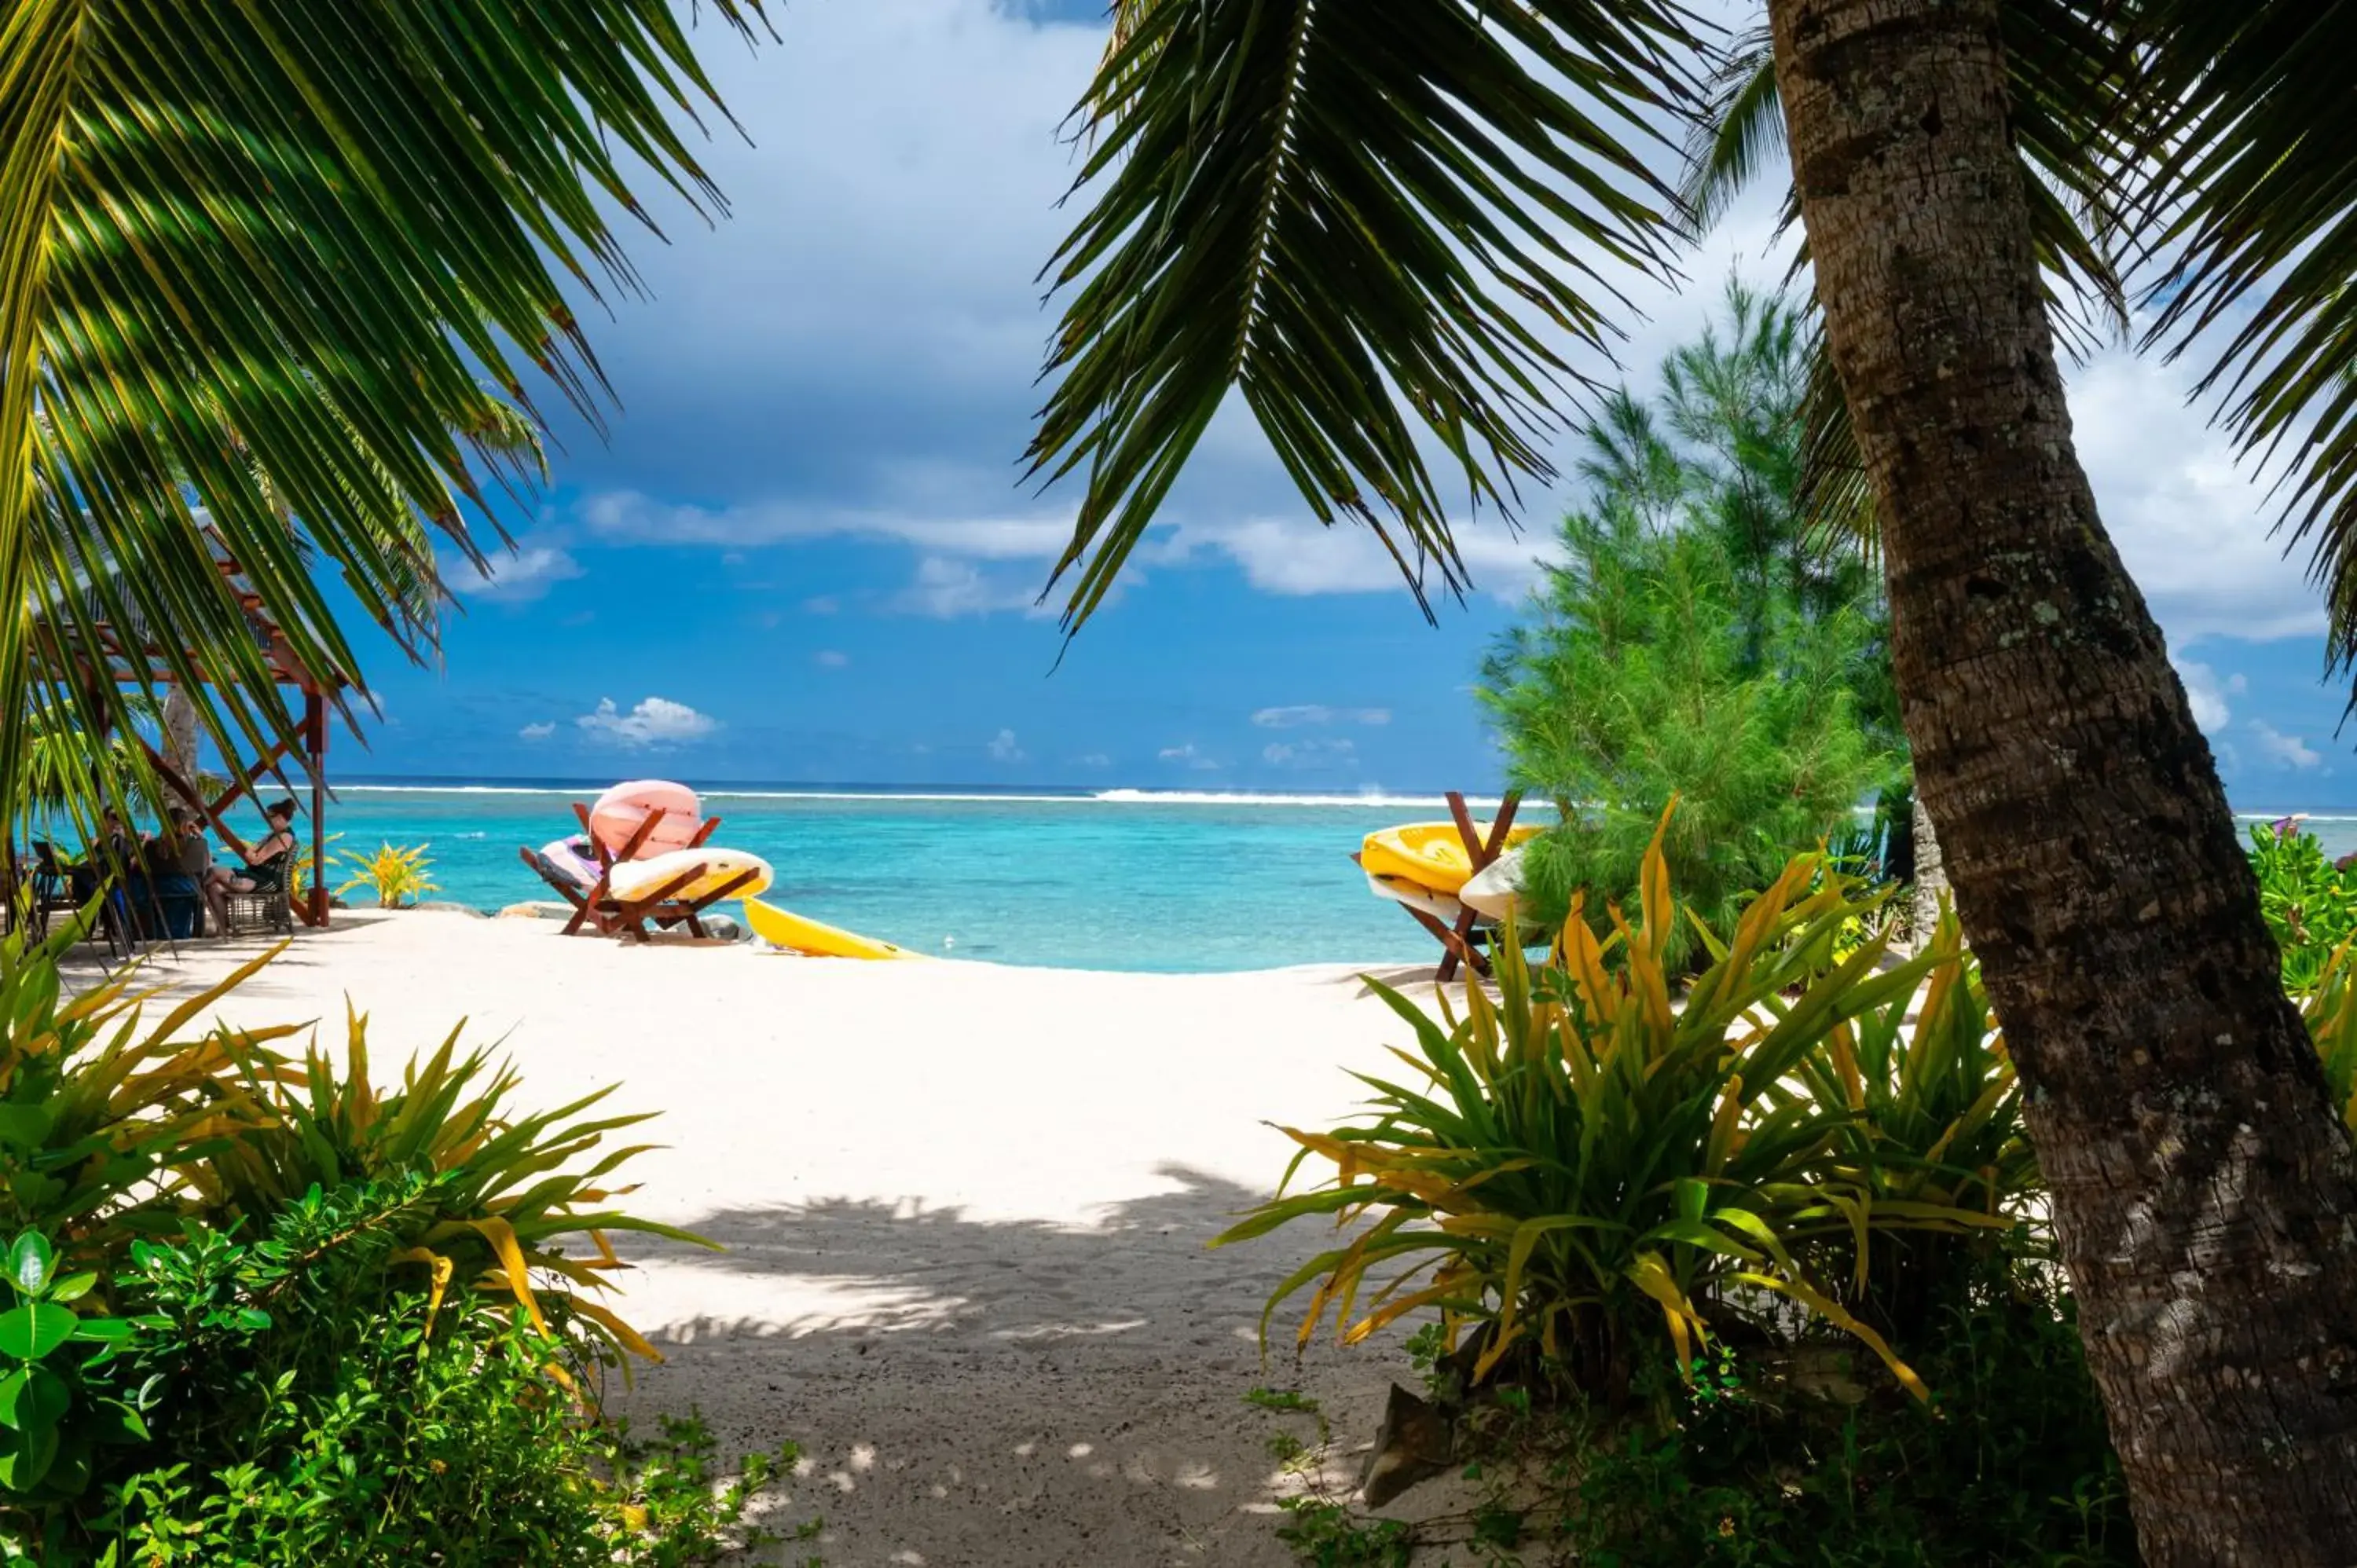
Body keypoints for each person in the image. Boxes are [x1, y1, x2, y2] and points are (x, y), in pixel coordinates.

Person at [203, 799, 297, 936]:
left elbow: (255, 860)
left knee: (214, 871)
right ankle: (222, 929)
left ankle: (196, 893)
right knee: (213, 887)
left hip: (266, 882)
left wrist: (253, 853)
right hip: (255, 877)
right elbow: (250, 853)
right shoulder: (273, 835)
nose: (267, 821)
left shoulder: (285, 837)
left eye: (269, 817)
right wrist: (252, 853)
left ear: (280, 817)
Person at [141, 809, 211, 940]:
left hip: (160, 889)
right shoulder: (199, 844)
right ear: (187, 824)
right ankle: (195, 933)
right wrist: (200, 836)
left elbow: (145, 869)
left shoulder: (152, 845)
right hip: (187, 889)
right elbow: (206, 867)